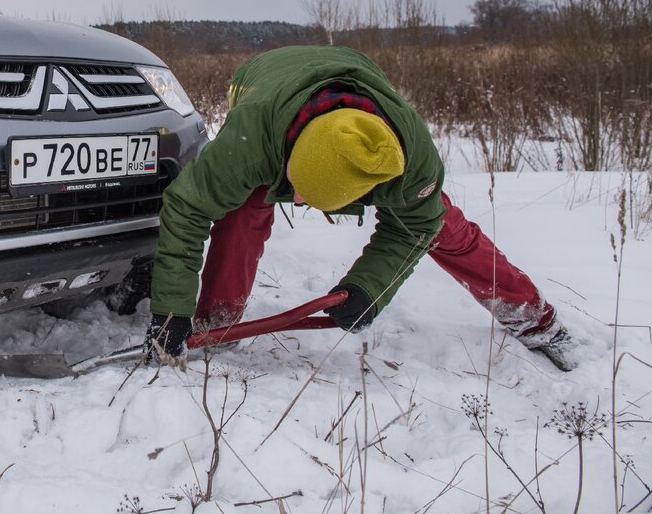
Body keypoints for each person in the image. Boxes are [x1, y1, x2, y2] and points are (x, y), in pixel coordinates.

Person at [144, 45, 575, 371]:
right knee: (242, 213)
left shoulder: (410, 161)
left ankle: (533, 317)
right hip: (265, 82)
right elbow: (187, 209)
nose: (295, 203)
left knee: (445, 229)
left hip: (350, 97)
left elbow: (412, 230)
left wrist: (371, 288)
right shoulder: (250, 140)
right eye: (295, 188)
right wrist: (171, 311)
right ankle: (217, 323)